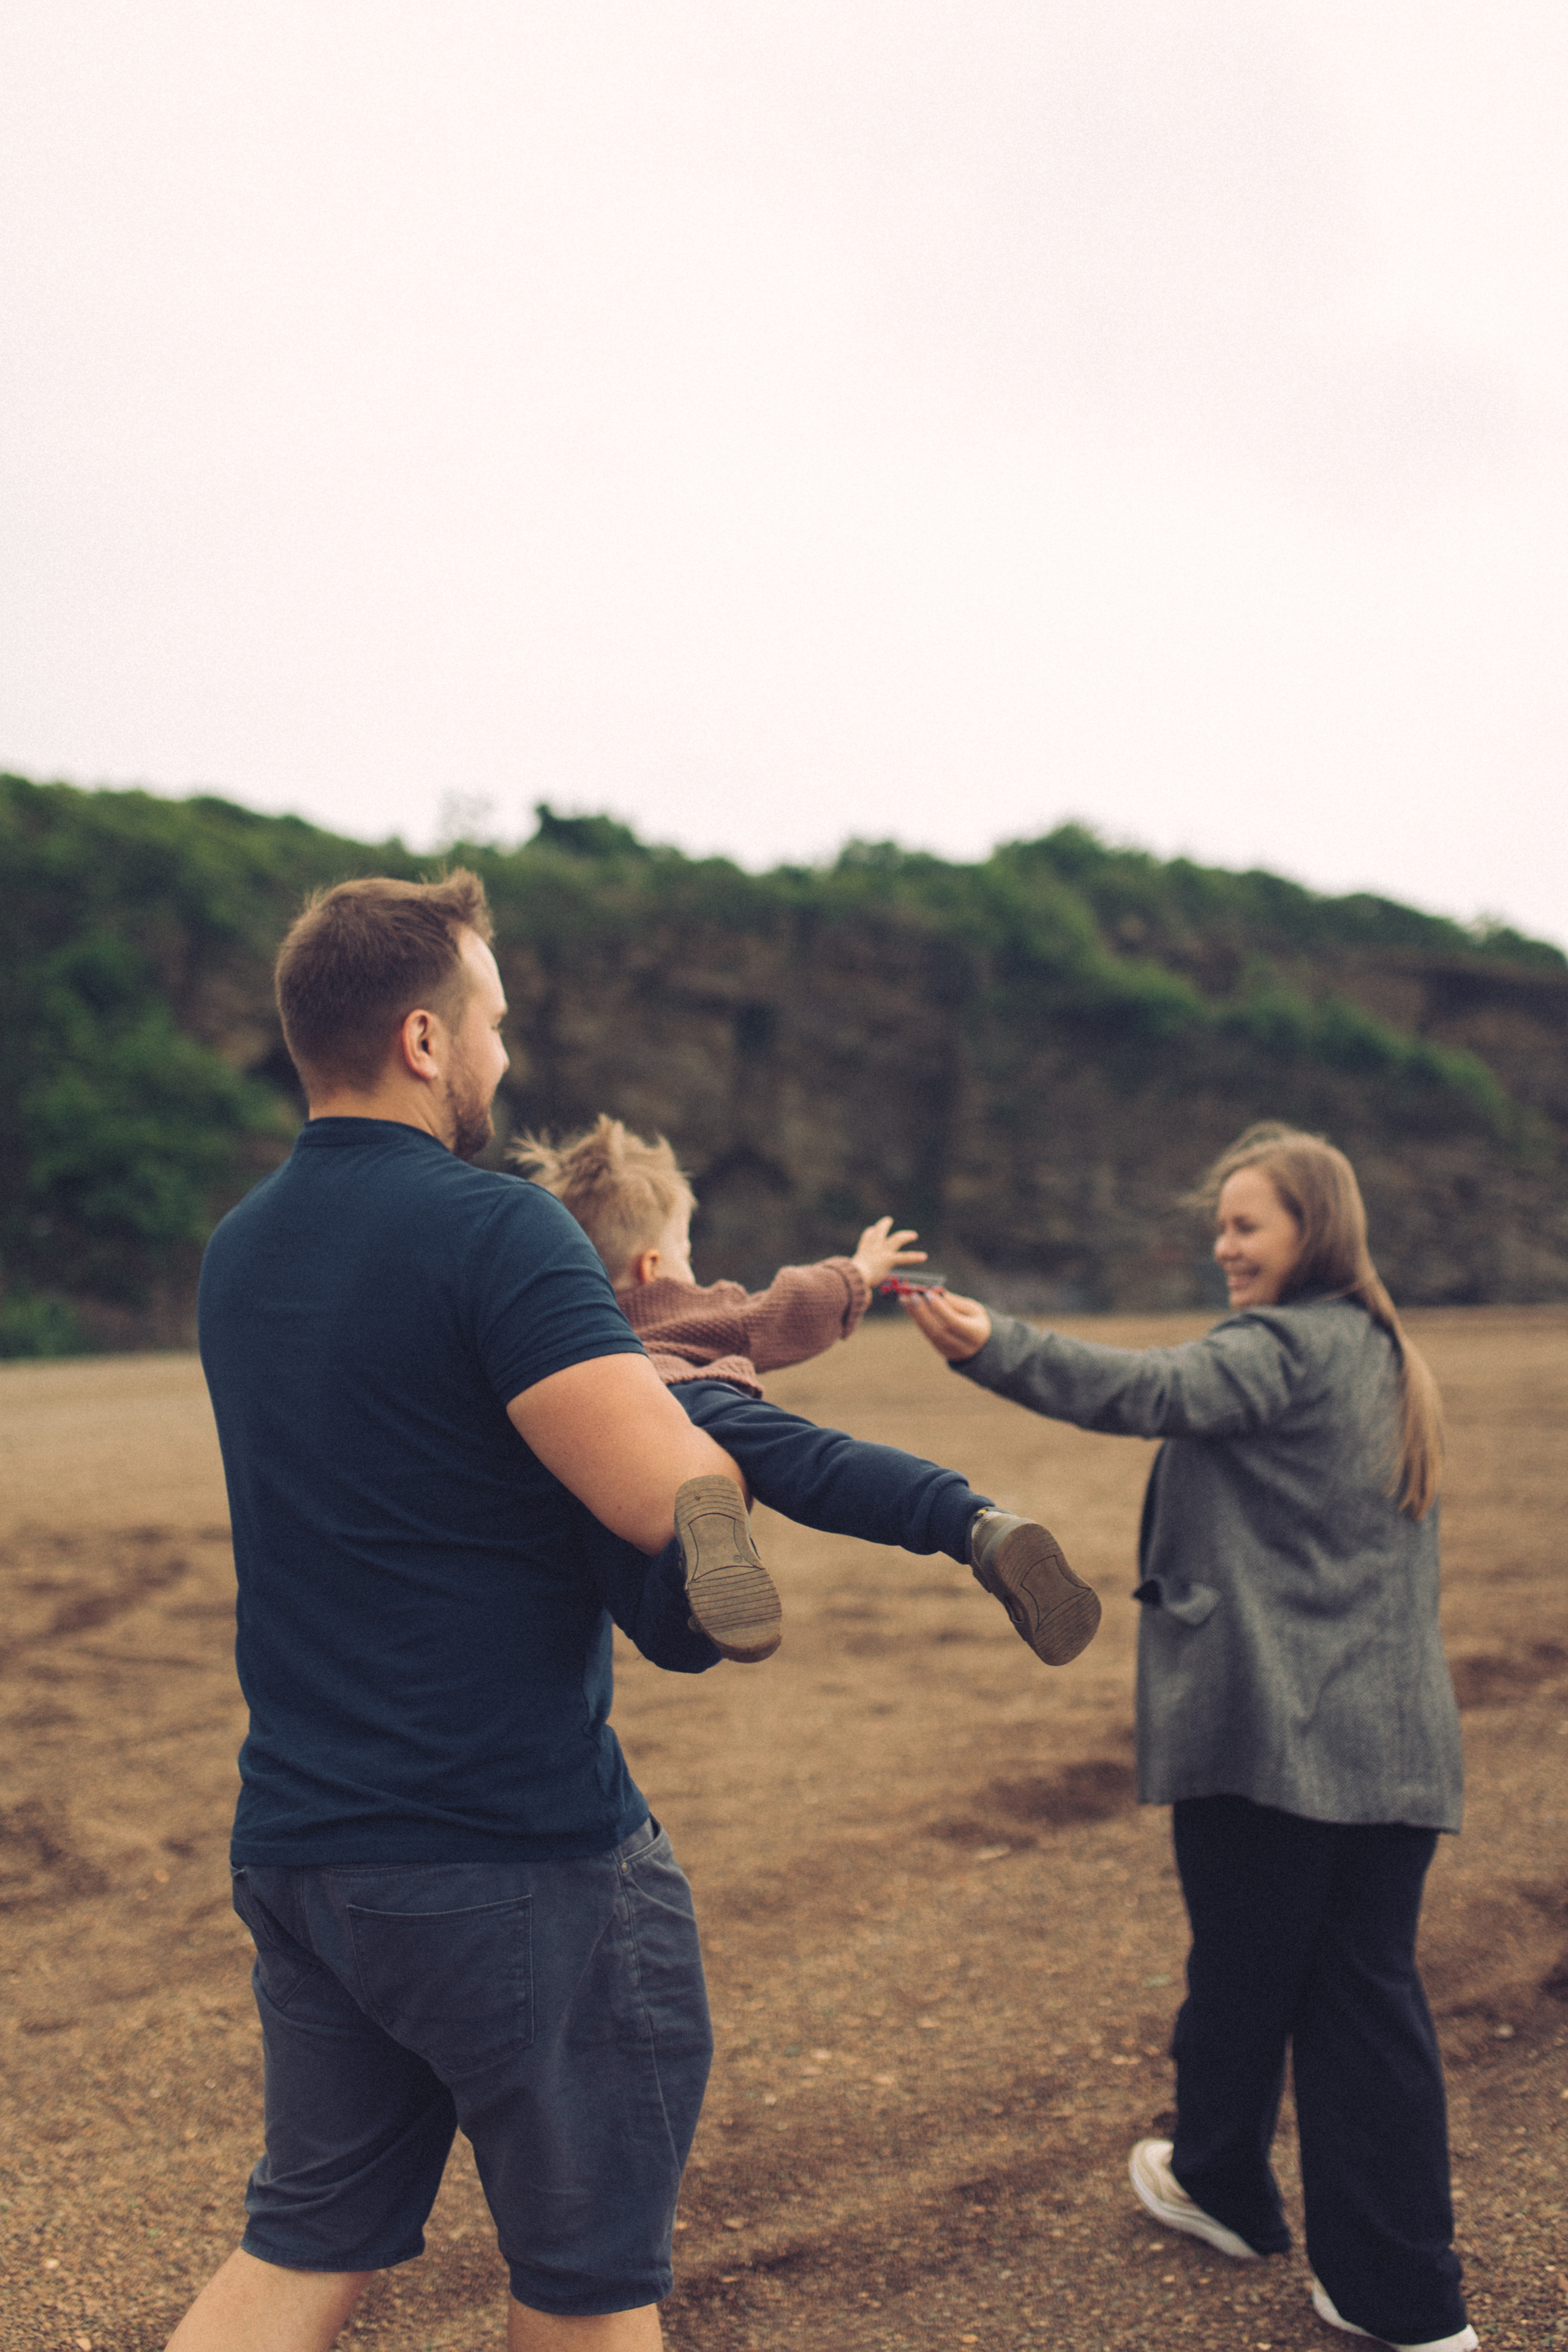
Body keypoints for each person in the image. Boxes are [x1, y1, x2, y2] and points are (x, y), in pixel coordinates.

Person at [170, 872, 758, 2352]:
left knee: (303, 2244)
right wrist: (712, 1411)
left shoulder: (240, 1251)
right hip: (511, 1850)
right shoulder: (496, 1229)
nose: (505, 1054)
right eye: (493, 1021)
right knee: (584, 2278)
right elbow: (652, 1500)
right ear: (426, 1038)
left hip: (308, 1846)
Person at [902, 1125, 1476, 2352]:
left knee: (1318, 1993)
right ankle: (1219, 2182)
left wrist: (992, 1345)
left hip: (1272, 1740)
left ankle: (1397, 2301)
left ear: (1309, 1231)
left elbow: (1145, 1392)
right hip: (1390, 1747)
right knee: (1281, 1974)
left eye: (1244, 1226)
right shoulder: (1381, 1353)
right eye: (1218, 1226)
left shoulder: (1278, 1345)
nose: (1223, 1247)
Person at [510, 1115, 1101, 1672]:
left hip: (611, 1430)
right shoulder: (692, 1310)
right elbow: (784, 1307)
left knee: (661, 1626)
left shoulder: (558, 1336)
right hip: (708, 1399)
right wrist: (857, 1273)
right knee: (821, 1461)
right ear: (653, 1266)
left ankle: (692, 1555)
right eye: (687, 1255)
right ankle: (974, 1525)